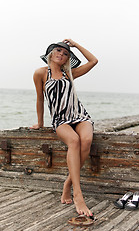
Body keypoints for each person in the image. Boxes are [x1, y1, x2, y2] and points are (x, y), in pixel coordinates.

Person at [31, 39, 98, 217]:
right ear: (51, 53)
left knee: (87, 140)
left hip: (79, 115)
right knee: (74, 141)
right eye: (59, 50)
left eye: (66, 53)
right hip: (60, 120)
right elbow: (39, 98)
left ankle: (68, 183)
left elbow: (94, 61)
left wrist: (76, 45)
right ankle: (78, 195)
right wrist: (40, 123)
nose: (62, 54)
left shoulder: (70, 73)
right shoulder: (40, 73)